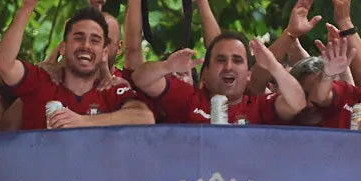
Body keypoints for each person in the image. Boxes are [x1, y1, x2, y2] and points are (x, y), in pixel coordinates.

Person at [0, 0, 154, 130]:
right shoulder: (42, 80)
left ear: (104, 52)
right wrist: (27, 6)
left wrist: (82, 122)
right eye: (78, 38)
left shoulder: (111, 89)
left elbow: (145, 117)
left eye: (95, 40)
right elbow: (4, 64)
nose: (86, 46)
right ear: (62, 47)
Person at [131, 31, 305, 125]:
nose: (228, 66)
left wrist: (273, 66)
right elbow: (140, 78)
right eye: (220, 60)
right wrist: (166, 66)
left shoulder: (260, 107)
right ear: (205, 73)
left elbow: (297, 103)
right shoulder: (187, 99)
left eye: (237, 60)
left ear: (248, 75)